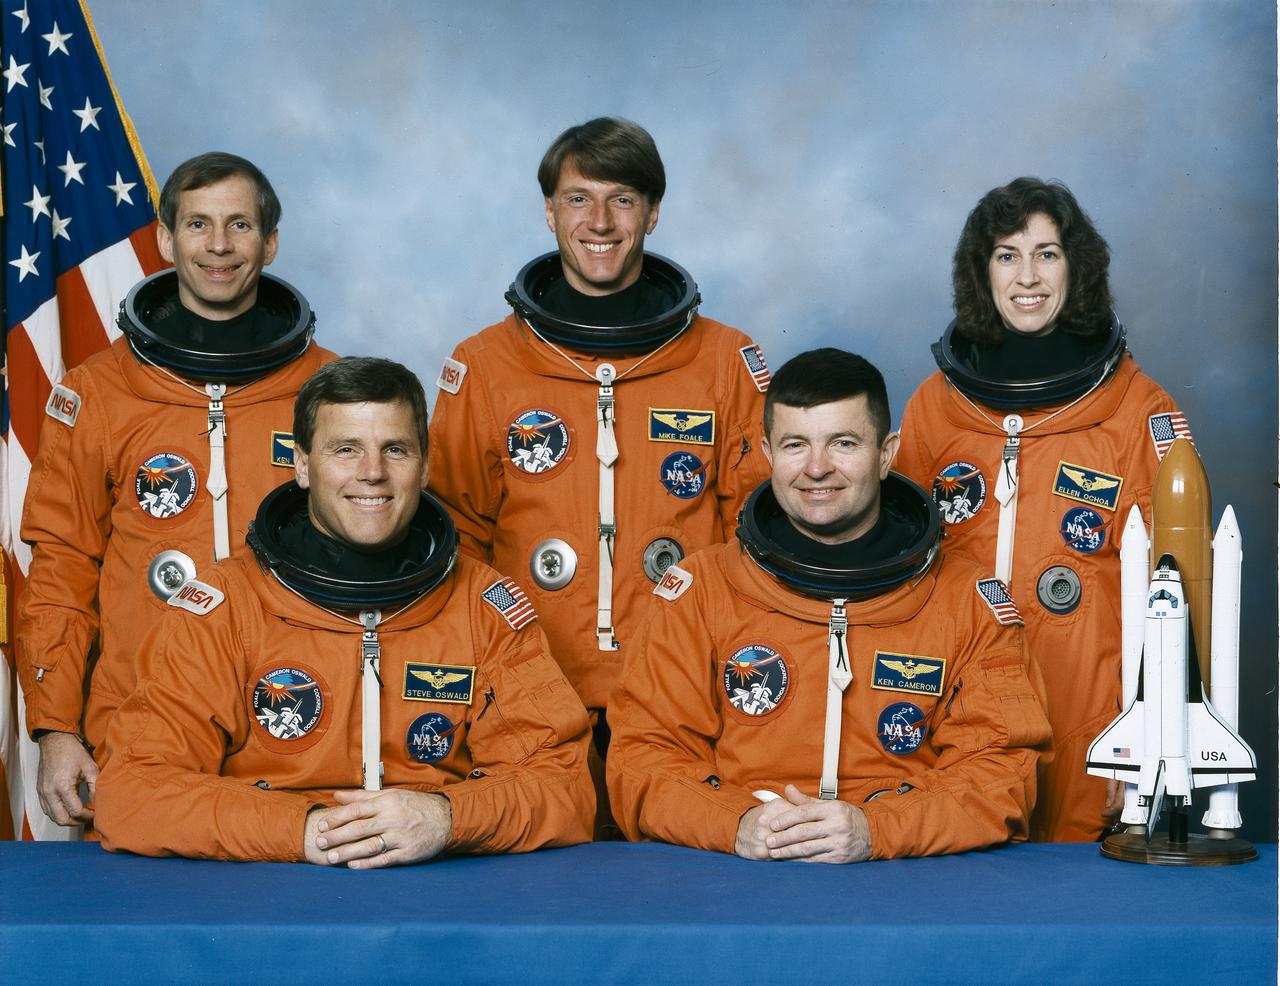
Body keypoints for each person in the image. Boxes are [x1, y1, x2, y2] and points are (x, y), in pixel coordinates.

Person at [95, 358, 594, 864]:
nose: (372, 473)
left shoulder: (482, 606)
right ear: (303, 465)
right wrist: (305, 829)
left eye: (395, 450)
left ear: (424, 467)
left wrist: (446, 817)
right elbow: (132, 792)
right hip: (268, 889)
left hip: (438, 894)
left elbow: (564, 786)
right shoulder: (225, 609)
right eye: (346, 449)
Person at [427, 117, 771, 833]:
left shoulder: (724, 362)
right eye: (578, 199)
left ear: (653, 211)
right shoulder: (486, 364)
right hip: (526, 702)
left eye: (622, 199)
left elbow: (759, 541)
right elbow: (454, 542)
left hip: (685, 700)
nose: (601, 221)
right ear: (549, 212)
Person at [606, 349, 1051, 862]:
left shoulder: (966, 600)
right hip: (738, 872)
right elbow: (642, 756)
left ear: (886, 454)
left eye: (843, 443)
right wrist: (737, 822)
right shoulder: (700, 592)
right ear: (768, 454)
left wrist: (877, 829)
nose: (817, 469)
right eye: (796, 445)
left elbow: (1003, 770)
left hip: (905, 877)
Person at [17, 152, 334, 828]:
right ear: (164, 239)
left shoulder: (331, 391)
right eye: (198, 224)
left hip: (294, 734)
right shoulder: (96, 391)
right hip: (133, 735)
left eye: (240, 225)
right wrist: (55, 731)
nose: (218, 246)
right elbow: (61, 573)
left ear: (270, 241)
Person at [894, 177, 1189, 842]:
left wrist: (1140, 738)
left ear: (1076, 268)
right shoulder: (934, 408)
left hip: (1087, 710)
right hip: (957, 710)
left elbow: (1177, 592)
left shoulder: (1141, 412)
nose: (1027, 277)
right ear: (982, 273)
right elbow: (898, 574)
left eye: (1047, 254)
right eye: (1006, 255)